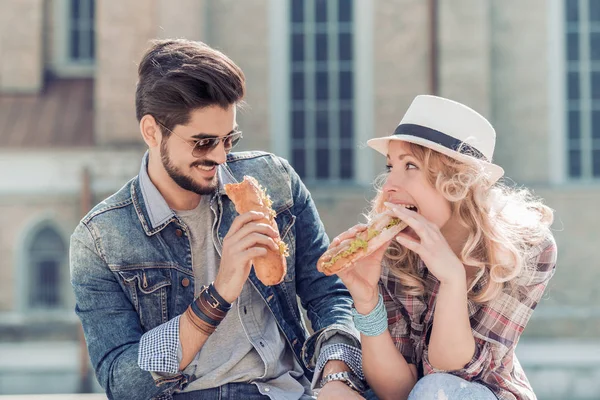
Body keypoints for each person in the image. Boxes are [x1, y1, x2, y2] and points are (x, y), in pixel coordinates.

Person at [70, 39, 366, 400]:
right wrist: (220, 292)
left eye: (229, 139)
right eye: (203, 142)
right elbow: (123, 382)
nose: (221, 157)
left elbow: (328, 293)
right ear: (152, 132)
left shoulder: (275, 180)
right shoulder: (100, 238)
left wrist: (338, 375)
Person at [332, 95, 557, 400]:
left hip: (481, 393)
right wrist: (367, 300)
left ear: (457, 182)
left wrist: (452, 278)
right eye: (390, 167)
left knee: (436, 389)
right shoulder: (393, 250)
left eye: (410, 165)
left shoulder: (527, 249)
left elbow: (449, 371)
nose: (388, 187)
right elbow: (395, 391)